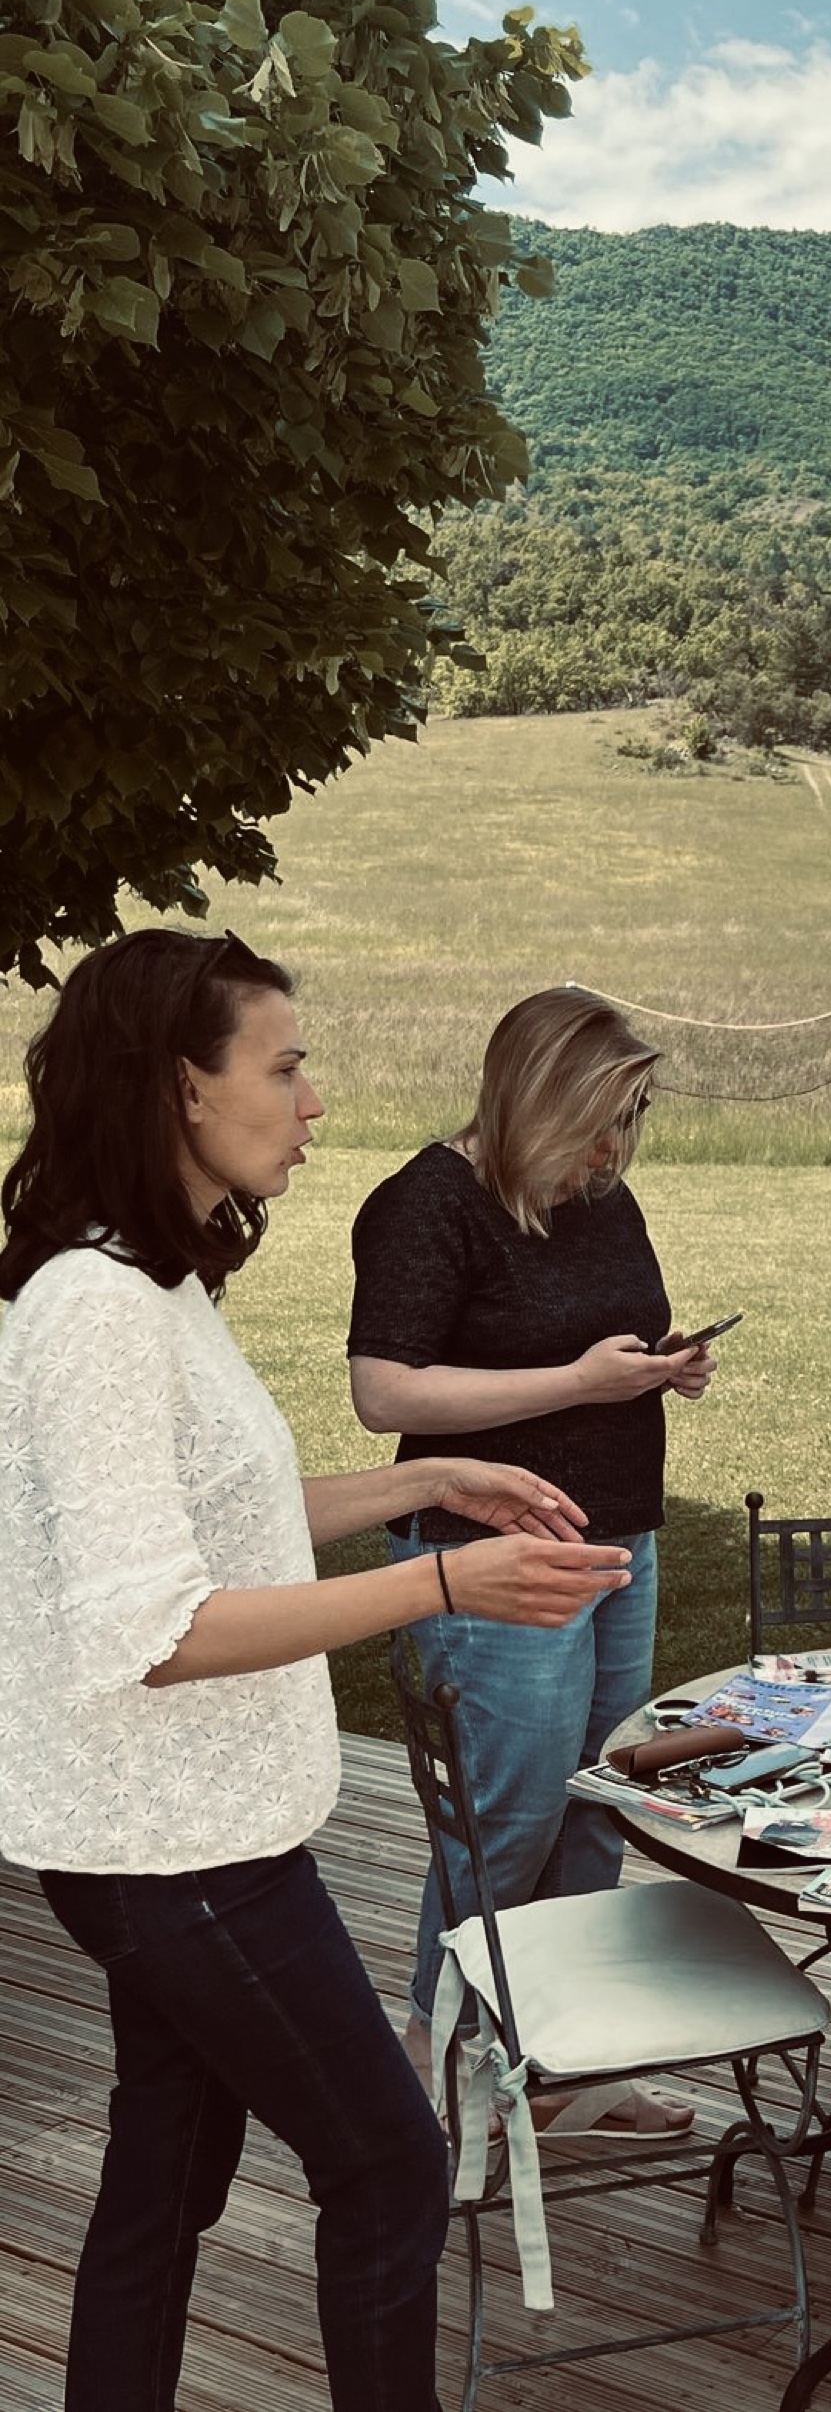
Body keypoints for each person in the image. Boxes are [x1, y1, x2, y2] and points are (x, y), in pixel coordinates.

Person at [0, 929, 628, 2412]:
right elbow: (158, 1625)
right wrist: (443, 1583)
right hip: (175, 1851)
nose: (312, 1100)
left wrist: (424, 1488)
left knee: (163, 2182)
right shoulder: (91, 1310)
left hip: (186, 1834)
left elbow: (221, 1522)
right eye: (283, 1067)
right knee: (393, 2166)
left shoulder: (148, 1287)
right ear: (179, 1088)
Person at [346, 987, 715, 2134]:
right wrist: (575, 1381)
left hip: (616, 1531)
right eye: (599, 1119)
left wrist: (662, 1365)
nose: (615, 1147)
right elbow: (383, 1390)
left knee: (598, 1799)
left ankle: (562, 2059)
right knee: (508, 1813)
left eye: (632, 1118)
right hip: (489, 1552)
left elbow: (611, 1332)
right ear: (535, 1099)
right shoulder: (427, 1202)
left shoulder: (600, 1196)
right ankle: (434, 2041)